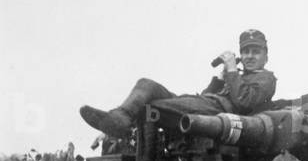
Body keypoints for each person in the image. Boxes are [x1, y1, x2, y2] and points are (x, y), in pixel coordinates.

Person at [79, 29, 277, 137]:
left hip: (222, 114)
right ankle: (119, 119)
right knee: (146, 84)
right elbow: (205, 96)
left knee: (150, 109)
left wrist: (233, 71)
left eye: (255, 52)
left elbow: (245, 102)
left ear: (265, 57)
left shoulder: (266, 78)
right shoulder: (235, 76)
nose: (249, 56)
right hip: (204, 104)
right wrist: (220, 77)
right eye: (246, 51)